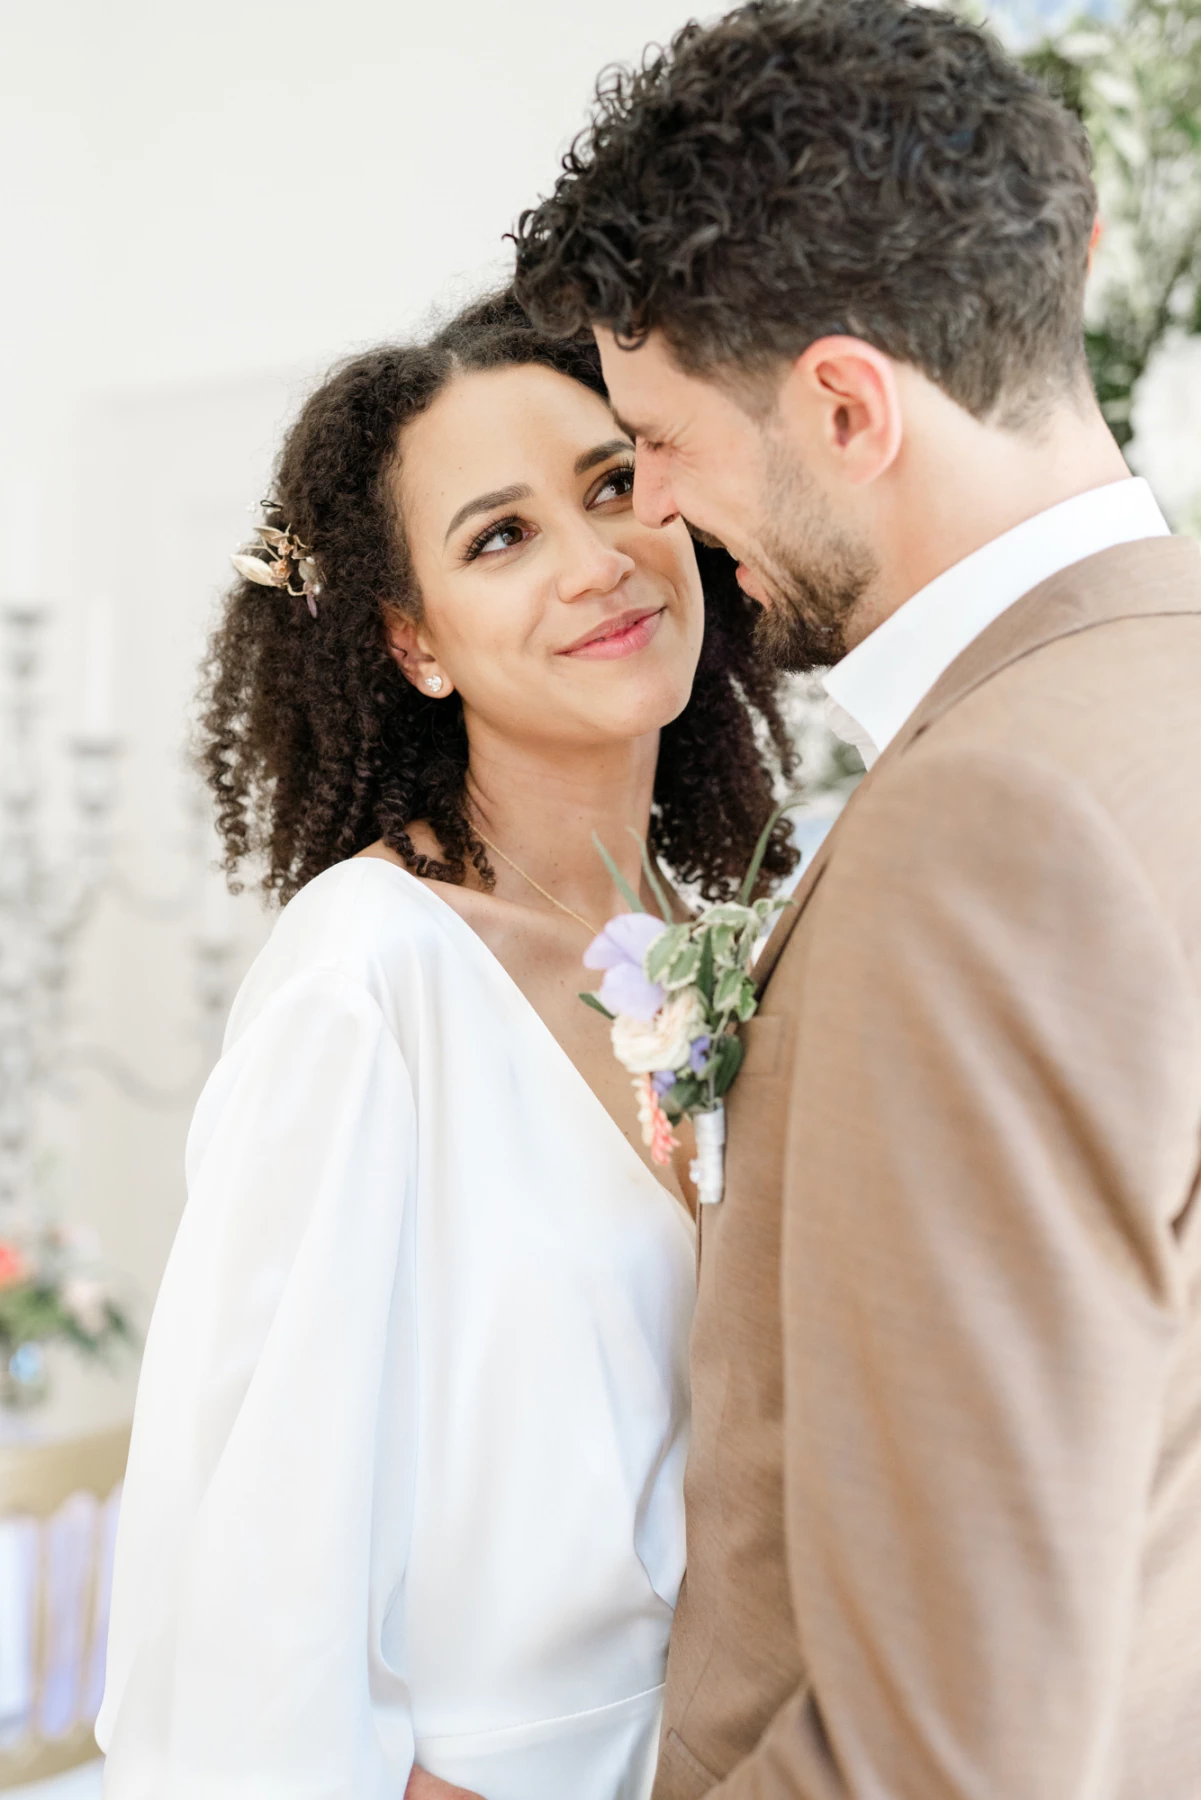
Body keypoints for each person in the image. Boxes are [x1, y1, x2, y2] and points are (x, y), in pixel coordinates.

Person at [514, 2, 1201, 1796]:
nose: (653, 507)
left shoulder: (993, 821)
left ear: (844, 405)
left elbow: (943, 1745)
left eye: (658, 436)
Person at [95, 291, 799, 1800]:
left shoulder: (739, 940)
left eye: (614, 487)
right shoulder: (369, 978)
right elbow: (250, 1546)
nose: (599, 558)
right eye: (501, 537)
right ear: (412, 644)